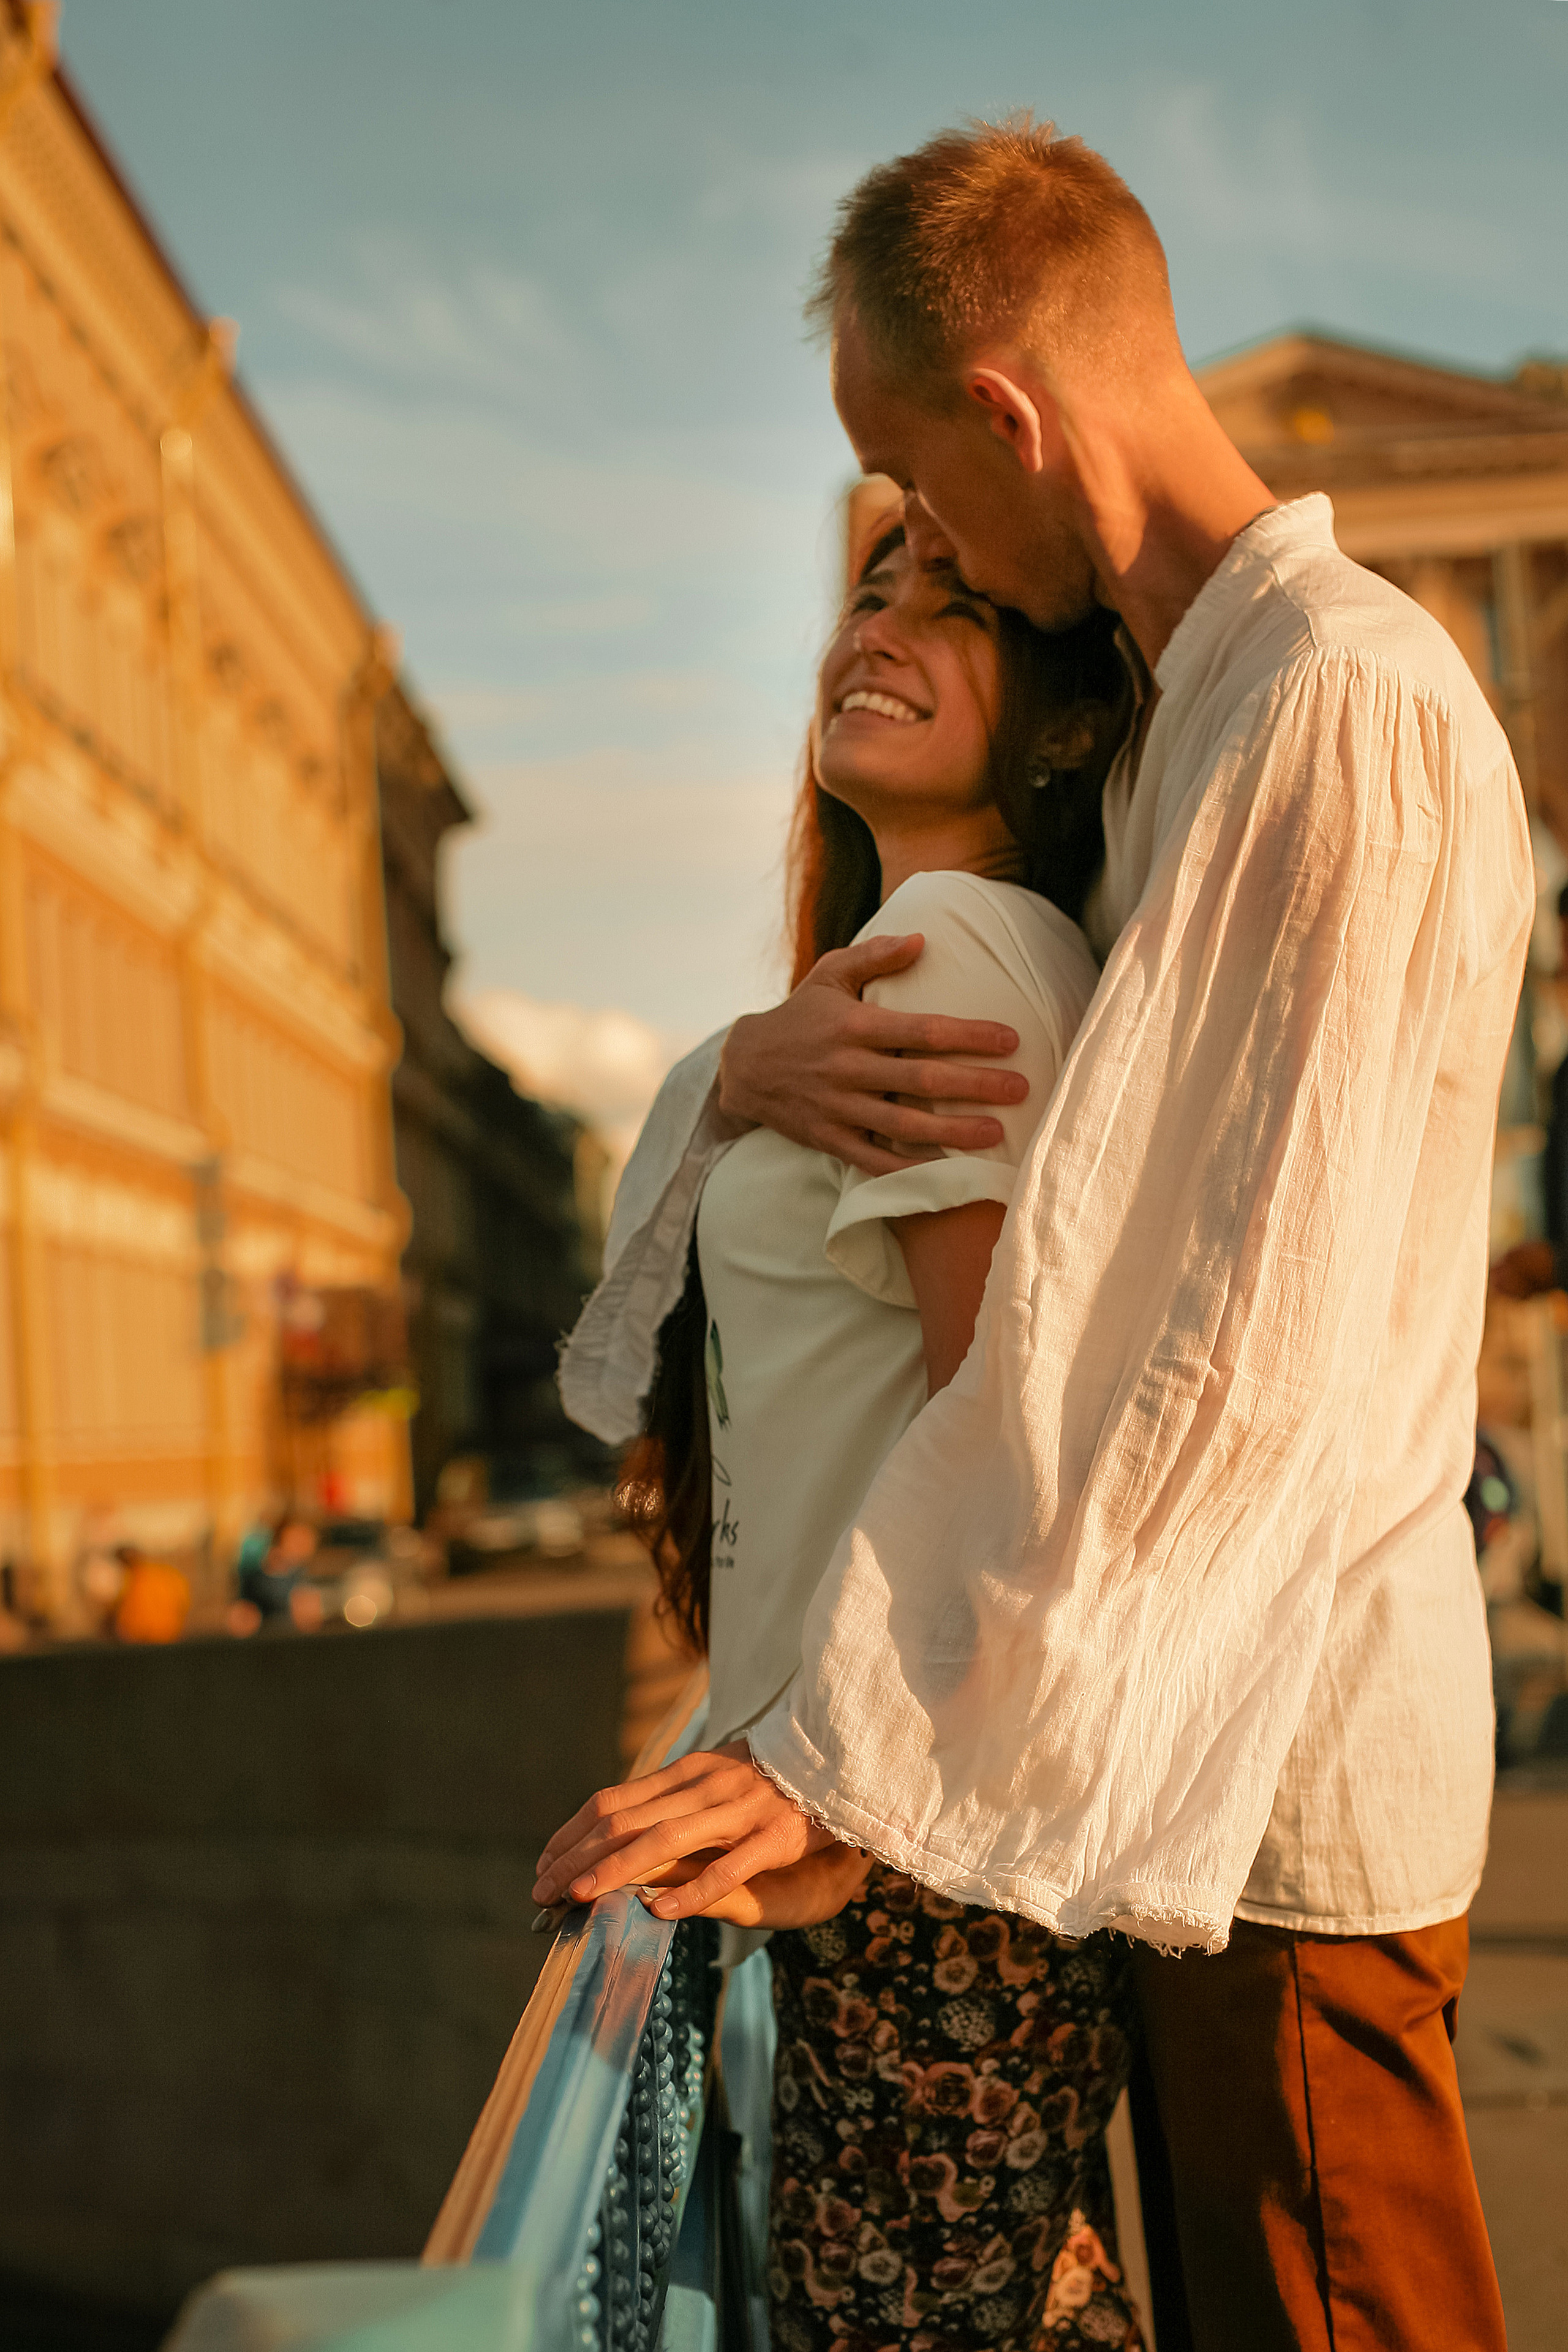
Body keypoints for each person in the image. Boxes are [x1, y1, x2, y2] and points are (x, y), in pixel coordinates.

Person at [536, 120, 1532, 2350]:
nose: (915, 563)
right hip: (1171, 1783)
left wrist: (840, 1772)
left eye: (921, 504)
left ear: (1001, 417)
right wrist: (739, 1071)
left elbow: (1209, 1355)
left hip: (1282, 1802)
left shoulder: (1333, 707)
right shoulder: (1211, 720)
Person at [558, 518, 1143, 2347]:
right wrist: (732, 1073)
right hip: (916, 1837)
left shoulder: (953, 946)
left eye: (949, 610)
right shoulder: (939, 953)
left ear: (1060, 731)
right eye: (868, 596)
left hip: (906, 1861)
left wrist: (844, 1806)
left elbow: (1003, 1422)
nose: (872, 633)